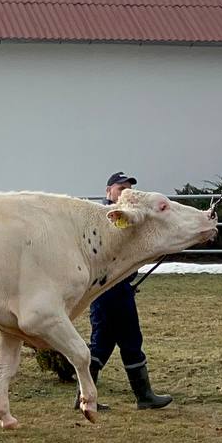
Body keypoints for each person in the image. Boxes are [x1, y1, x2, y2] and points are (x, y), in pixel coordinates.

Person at [74, 171, 172, 412]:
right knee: (128, 340)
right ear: (108, 191)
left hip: (114, 289)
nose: (125, 193)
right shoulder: (107, 218)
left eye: (128, 189)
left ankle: (85, 397)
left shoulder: (126, 218)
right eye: (121, 188)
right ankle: (144, 396)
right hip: (111, 289)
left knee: (103, 343)